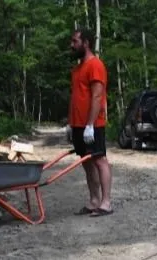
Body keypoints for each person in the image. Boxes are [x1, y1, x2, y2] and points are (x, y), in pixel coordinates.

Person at [67, 29, 113, 216]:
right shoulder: (77, 69)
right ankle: (94, 200)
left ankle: (106, 203)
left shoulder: (95, 65)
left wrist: (90, 125)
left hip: (93, 124)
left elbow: (97, 96)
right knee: (86, 163)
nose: (72, 44)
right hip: (78, 124)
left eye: (75, 41)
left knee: (99, 160)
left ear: (86, 43)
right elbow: (75, 97)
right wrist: (71, 123)